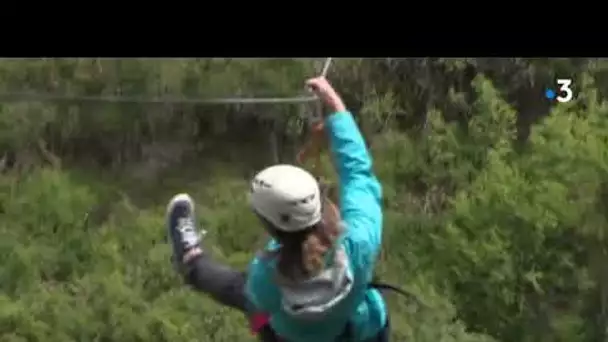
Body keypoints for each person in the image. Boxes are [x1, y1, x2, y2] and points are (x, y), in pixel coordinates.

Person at [166, 76, 388, 342]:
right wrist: (335, 105)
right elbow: (358, 174)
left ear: (269, 226)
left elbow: (260, 300)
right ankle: (198, 269)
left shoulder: (265, 276)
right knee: (256, 306)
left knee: (251, 306)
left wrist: (259, 322)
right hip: (360, 332)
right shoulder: (359, 242)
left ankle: (191, 261)